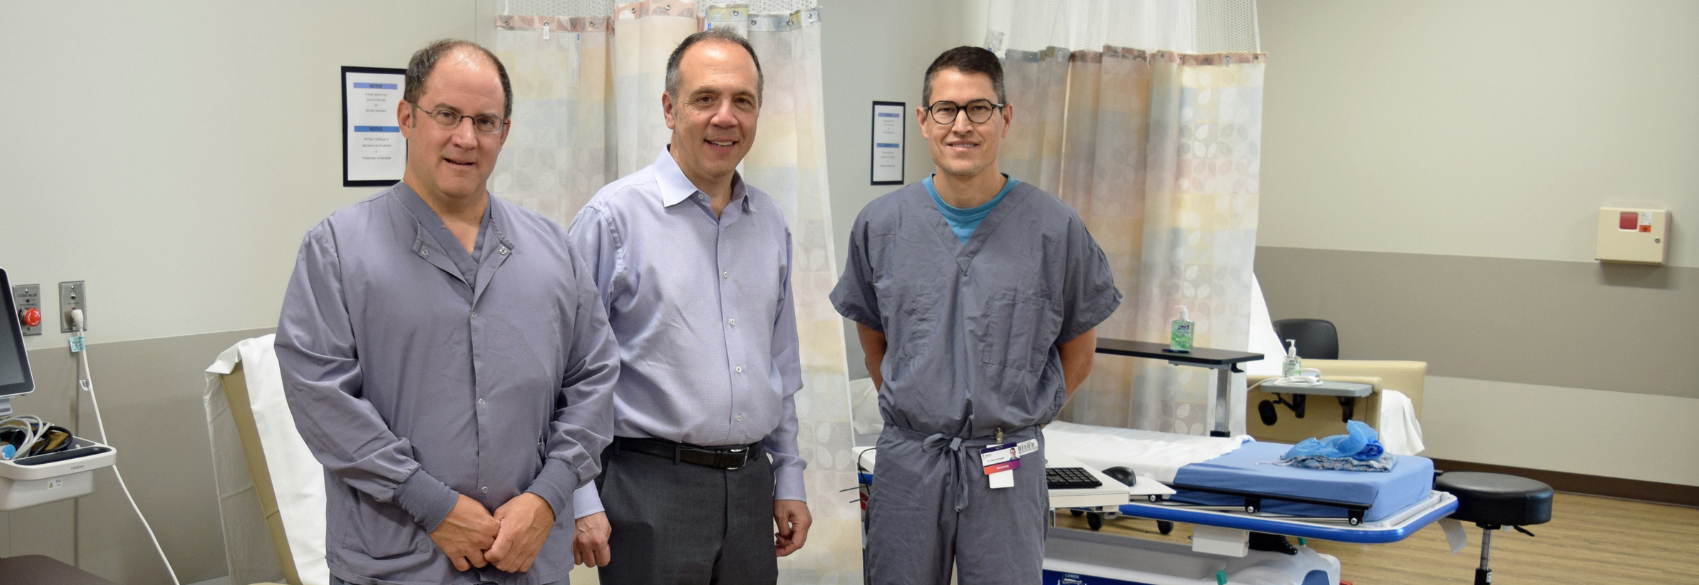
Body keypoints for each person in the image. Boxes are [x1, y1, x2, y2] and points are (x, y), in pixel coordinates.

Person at [276, 39, 617, 585]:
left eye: (485, 121)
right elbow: (320, 396)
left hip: (524, 559)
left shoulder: (554, 252)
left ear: (505, 133)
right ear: (406, 117)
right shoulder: (338, 251)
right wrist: (429, 502)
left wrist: (551, 495)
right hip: (397, 562)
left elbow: (594, 379)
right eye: (446, 115)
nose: (466, 137)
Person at [830, 46, 1122, 585]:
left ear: (1005, 117)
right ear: (923, 120)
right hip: (910, 462)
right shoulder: (880, 226)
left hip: (1008, 455)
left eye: (979, 109)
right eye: (946, 109)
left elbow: (1079, 350)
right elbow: (873, 338)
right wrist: (923, 406)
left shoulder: (1054, 230)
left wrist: (1021, 413)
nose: (961, 125)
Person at [564, 27, 811, 585]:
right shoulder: (613, 220)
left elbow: (781, 366)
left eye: (742, 101)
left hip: (750, 487)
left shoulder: (768, 222)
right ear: (670, 108)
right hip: (648, 488)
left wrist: (788, 477)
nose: (725, 117)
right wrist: (580, 496)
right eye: (706, 99)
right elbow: (563, 375)